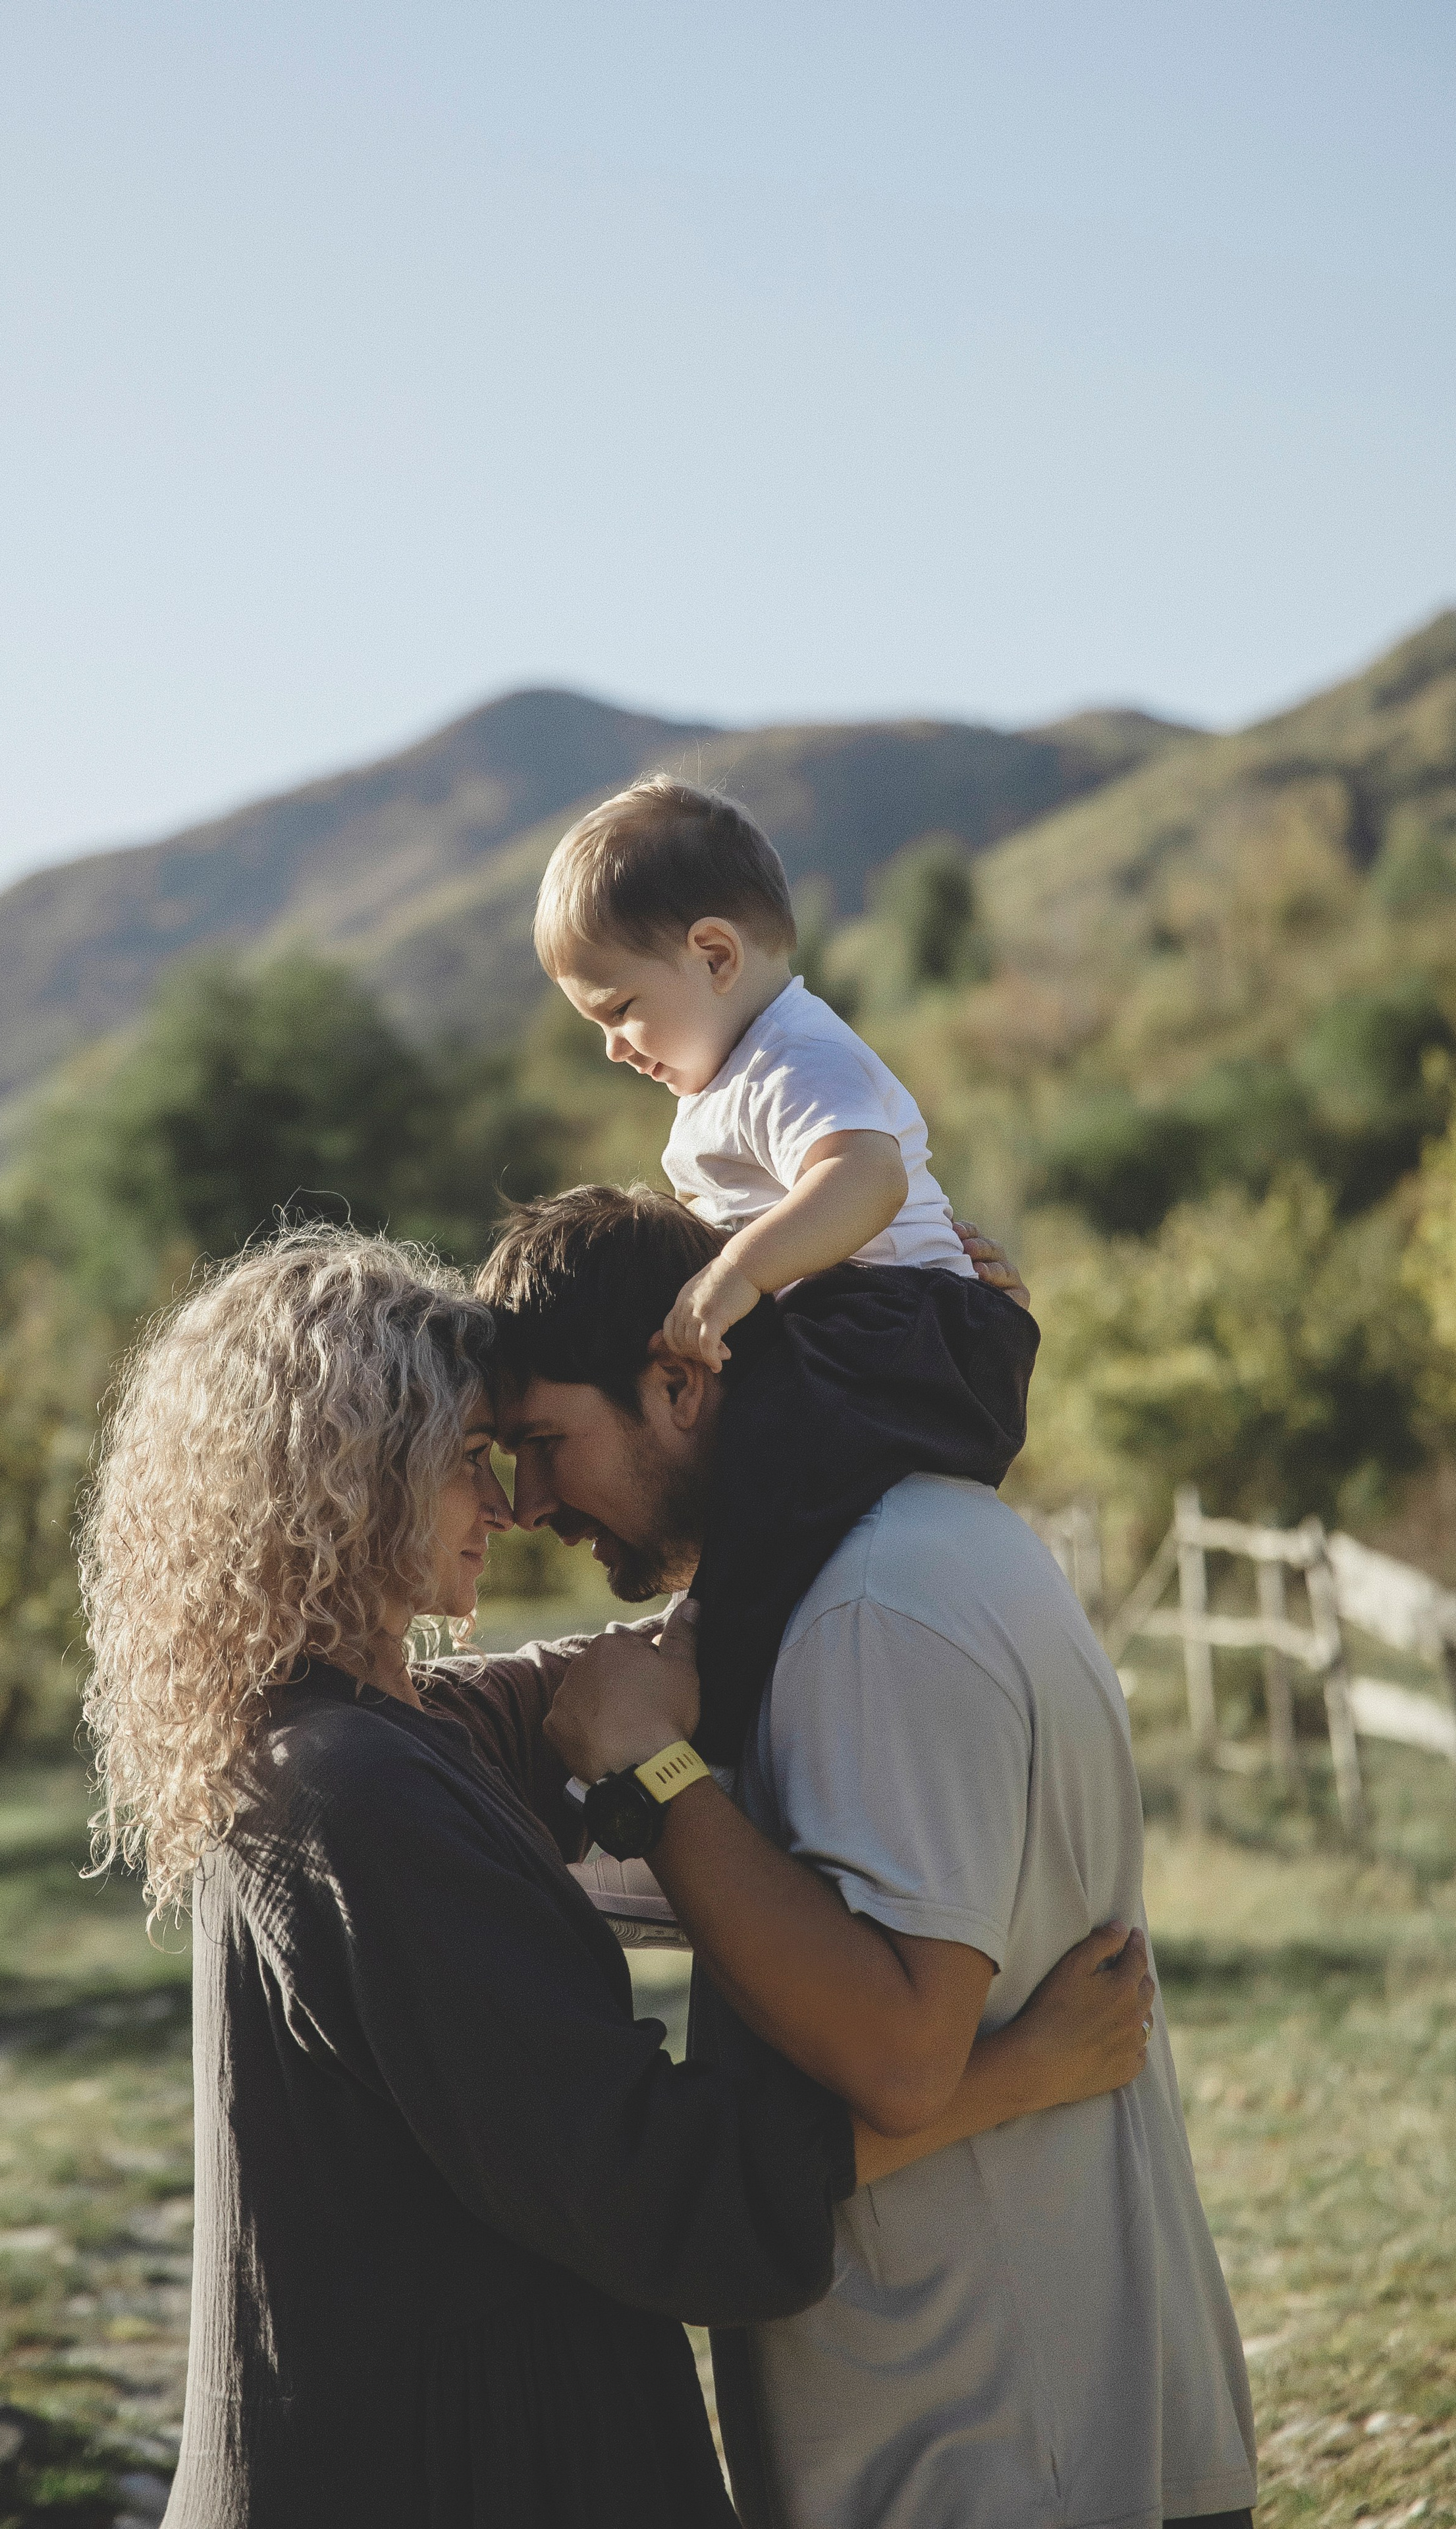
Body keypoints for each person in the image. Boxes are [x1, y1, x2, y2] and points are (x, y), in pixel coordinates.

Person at [80, 1225, 1154, 2529]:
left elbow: (653, 1656)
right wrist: (1016, 2074)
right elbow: (658, 2190)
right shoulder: (346, 1795)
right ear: (351, 1481)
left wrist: (907, 1355)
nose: (505, 1505)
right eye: (466, 1464)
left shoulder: (364, 1741)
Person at [477, 1184, 1258, 2529]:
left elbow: (901, 2049)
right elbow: (789, 1900)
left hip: (992, 2448)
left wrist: (647, 1779)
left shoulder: (870, 1609)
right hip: (1005, 2431)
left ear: (675, 1382)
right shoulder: (890, 1552)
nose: (528, 1500)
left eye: (545, 1441)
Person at [532, 775, 1041, 1755]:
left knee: (764, 1470)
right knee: (755, 1468)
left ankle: (715, 1690)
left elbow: (865, 1180)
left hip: (902, 1331)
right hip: (871, 1327)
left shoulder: (793, 1058)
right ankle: (724, 1663)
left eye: (621, 1009)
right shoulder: (727, 1083)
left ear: (714, 955)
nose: (608, 1047)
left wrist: (739, 1278)